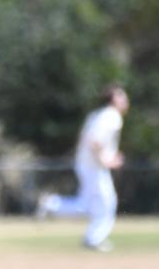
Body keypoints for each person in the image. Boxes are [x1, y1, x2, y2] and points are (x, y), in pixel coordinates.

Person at [37, 85, 130, 252]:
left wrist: (108, 157)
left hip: (87, 163)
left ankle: (52, 205)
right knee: (108, 202)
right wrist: (106, 160)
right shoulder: (111, 116)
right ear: (113, 100)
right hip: (93, 166)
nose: (125, 100)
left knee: (87, 204)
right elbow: (94, 140)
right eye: (122, 97)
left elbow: (90, 139)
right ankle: (93, 239)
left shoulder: (98, 115)